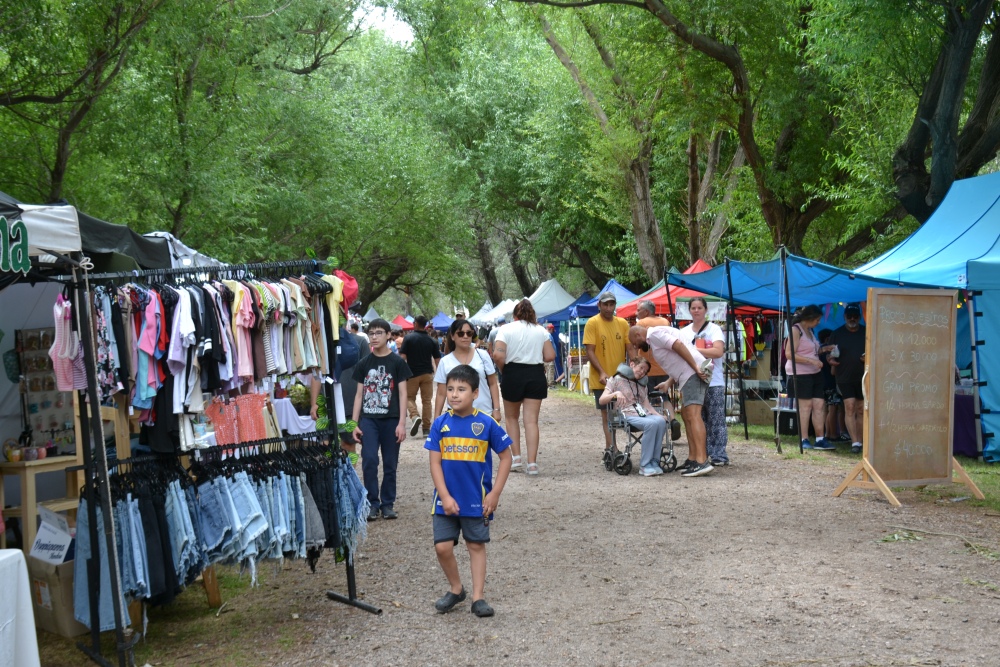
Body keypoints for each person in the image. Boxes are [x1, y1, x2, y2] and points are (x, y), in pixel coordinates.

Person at [426, 364, 513, 617]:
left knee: (475, 545)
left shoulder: (486, 423)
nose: (454, 394)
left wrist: (495, 493)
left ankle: (478, 597)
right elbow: (434, 462)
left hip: (477, 500)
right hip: (445, 501)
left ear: (475, 394)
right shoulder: (440, 424)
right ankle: (456, 589)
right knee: (442, 547)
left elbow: (506, 458)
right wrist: (444, 495)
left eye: (461, 389)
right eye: (450, 389)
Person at [628, 324, 715, 477]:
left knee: (694, 415)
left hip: (692, 374)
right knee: (687, 415)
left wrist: (695, 367)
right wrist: (669, 382)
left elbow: (678, 345)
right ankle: (693, 458)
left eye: (635, 343)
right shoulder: (657, 335)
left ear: (637, 335)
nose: (637, 347)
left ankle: (702, 461)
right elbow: (676, 358)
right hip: (687, 375)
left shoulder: (654, 334)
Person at [350, 318, 412, 520]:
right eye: (371, 333)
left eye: (378, 333)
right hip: (369, 419)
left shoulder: (397, 362)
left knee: (390, 463)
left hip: (391, 418)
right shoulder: (364, 363)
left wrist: (402, 423)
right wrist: (354, 423)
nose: (374, 337)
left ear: (388, 335)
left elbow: (403, 394)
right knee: (369, 459)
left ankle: (387, 503)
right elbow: (359, 395)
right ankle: (372, 503)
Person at [492, 299, 555, 475]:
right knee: (531, 421)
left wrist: (504, 369)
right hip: (535, 374)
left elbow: (497, 355)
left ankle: (516, 457)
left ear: (514, 315)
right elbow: (550, 355)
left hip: (512, 373)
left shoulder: (504, 329)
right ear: (532, 314)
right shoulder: (540, 331)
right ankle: (532, 463)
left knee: (512, 418)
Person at [679, 297, 729, 466]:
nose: (696, 310)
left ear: (705, 310)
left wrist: (692, 350)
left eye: (700, 307)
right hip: (692, 381)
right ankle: (703, 453)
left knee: (716, 419)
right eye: (693, 307)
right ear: (689, 310)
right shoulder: (684, 332)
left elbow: (718, 351)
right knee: (698, 419)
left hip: (713, 381)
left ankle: (719, 454)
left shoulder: (714, 329)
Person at [598, 357, 668, 476]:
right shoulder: (615, 379)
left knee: (660, 422)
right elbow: (601, 400)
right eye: (641, 368)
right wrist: (616, 394)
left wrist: (659, 415)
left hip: (641, 413)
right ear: (632, 364)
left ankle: (654, 462)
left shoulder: (642, 384)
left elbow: (646, 405)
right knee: (651, 424)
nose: (642, 372)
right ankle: (645, 465)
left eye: (645, 372)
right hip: (624, 413)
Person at [584, 291, 630, 460]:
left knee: (620, 414)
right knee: (607, 414)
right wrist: (602, 372)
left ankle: (611, 446)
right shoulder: (592, 323)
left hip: (620, 378)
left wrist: (635, 365)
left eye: (611, 304)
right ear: (599, 305)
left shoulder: (623, 323)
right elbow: (589, 350)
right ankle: (612, 447)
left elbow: (629, 348)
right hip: (601, 379)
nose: (609, 308)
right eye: (606, 304)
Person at [784, 305, 834, 451]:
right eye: (817, 319)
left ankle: (820, 438)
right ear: (810, 318)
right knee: (805, 407)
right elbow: (789, 354)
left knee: (819, 404)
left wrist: (824, 349)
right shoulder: (795, 330)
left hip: (815, 372)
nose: (819, 322)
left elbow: (812, 350)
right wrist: (811, 361)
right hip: (800, 373)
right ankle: (804, 438)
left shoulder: (810, 331)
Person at [433, 319, 501, 423]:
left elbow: (492, 383)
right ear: (452, 336)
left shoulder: (482, 355)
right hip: (456, 416)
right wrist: (437, 419)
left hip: (484, 413)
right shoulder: (445, 362)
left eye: (469, 333)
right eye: (460, 333)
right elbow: (441, 393)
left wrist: (496, 409)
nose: (465, 336)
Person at [828, 303, 867, 454]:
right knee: (849, 407)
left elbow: (876, 351)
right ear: (844, 317)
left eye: (855, 316)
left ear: (859, 317)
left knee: (861, 410)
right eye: (849, 316)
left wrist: (867, 358)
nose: (852, 319)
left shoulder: (866, 332)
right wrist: (830, 360)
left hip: (863, 376)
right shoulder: (837, 333)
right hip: (844, 376)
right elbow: (829, 354)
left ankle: (861, 441)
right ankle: (855, 442)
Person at [400, 315, 441, 438]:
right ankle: (426, 429)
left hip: (412, 374)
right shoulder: (432, 341)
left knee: (408, 397)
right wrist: (439, 375)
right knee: (427, 401)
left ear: (416, 324)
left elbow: (402, 358)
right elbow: (438, 360)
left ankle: (415, 415)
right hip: (427, 374)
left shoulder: (408, 338)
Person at [818, 329, 848, 444]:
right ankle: (834, 435)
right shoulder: (831, 351)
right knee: (833, 409)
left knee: (826, 409)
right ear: (827, 339)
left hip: (822, 382)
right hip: (831, 382)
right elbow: (833, 371)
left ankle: (827, 433)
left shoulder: (819, 350)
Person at [633, 299, 672, 387]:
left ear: (646, 312)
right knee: (663, 397)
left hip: (647, 369)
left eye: (638, 310)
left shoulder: (641, 323)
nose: (636, 313)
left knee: (649, 398)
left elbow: (636, 346)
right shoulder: (665, 322)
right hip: (664, 368)